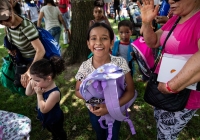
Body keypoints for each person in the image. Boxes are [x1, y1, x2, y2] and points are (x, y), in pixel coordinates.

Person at [137, 0, 200, 139]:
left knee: (166, 135)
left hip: (182, 95)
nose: (171, 0)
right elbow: (153, 42)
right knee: (161, 128)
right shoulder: (176, 18)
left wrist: (172, 86)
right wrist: (147, 23)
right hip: (163, 88)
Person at [75, 22, 135, 140]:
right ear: (88, 43)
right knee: (100, 134)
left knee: (113, 135)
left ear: (112, 42)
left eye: (104, 38)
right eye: (93, 38)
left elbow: (130, 91)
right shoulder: (85, 67)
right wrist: (95, 102)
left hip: (116, 109)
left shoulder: (120, 63)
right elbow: (77, 90)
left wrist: (109, 107)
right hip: (95, 111)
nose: (98, 42)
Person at [0, 0, 45, 88]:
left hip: (34, 61)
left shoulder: (26, 27)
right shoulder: (8, 26)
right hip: (22, 60)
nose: (5, 23)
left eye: (7, 19)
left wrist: (29, 72)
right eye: (0, 22)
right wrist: (12, 50)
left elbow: (40, 51)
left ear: (11, 10)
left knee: (40, 90)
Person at [25, 57, 67, 140]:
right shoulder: (41, 84)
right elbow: (28, 93)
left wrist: (39, 94)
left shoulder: (54, 93)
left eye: (37, 80)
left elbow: (44, 109)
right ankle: (55, 136)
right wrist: (32, 80)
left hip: (54, 119)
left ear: (48, 78)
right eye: (33, 79)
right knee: (51, 130)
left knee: (58, 132)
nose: (34, 82)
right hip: (46, 118)